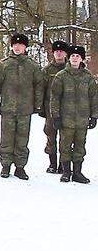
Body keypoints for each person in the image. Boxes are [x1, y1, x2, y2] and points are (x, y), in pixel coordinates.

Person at [0, 33, 43, 180]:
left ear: (25, 47)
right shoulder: (4, 64)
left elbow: (39, 85)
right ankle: (5, 166)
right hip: (7, 108)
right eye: (15, 45)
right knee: (6, 138)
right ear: (11, 46)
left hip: (25, 109)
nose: (17, 47)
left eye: (20, 45)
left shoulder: (32, 66)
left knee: (22, 139)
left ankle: (20, 167)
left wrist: (38, 105)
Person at [49, 45, 98, 183]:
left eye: (77, 56)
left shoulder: (88, 77)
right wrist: (56, 117)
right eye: (72, 56)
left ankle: (77, 172)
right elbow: (55, 98)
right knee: (65, 146)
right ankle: (66, 172)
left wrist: (94, 116)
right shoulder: (61, 76)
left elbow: (94, 97)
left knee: (80, 147)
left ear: (82, 58)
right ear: (68, 58)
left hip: (82, 120)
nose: (75, 58)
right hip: (66, 120)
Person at [40, 40, 68, 173]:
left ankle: (63, 164)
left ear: (65, 53)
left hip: (68, 109)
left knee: (66, 137)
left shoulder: (71, 68)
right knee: (50, 135)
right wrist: (40, 107)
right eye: (56, 51)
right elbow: (41, 90)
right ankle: (52, 163)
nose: (59, 53)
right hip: (50, 108)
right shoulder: (47, 70)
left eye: (61, 51)